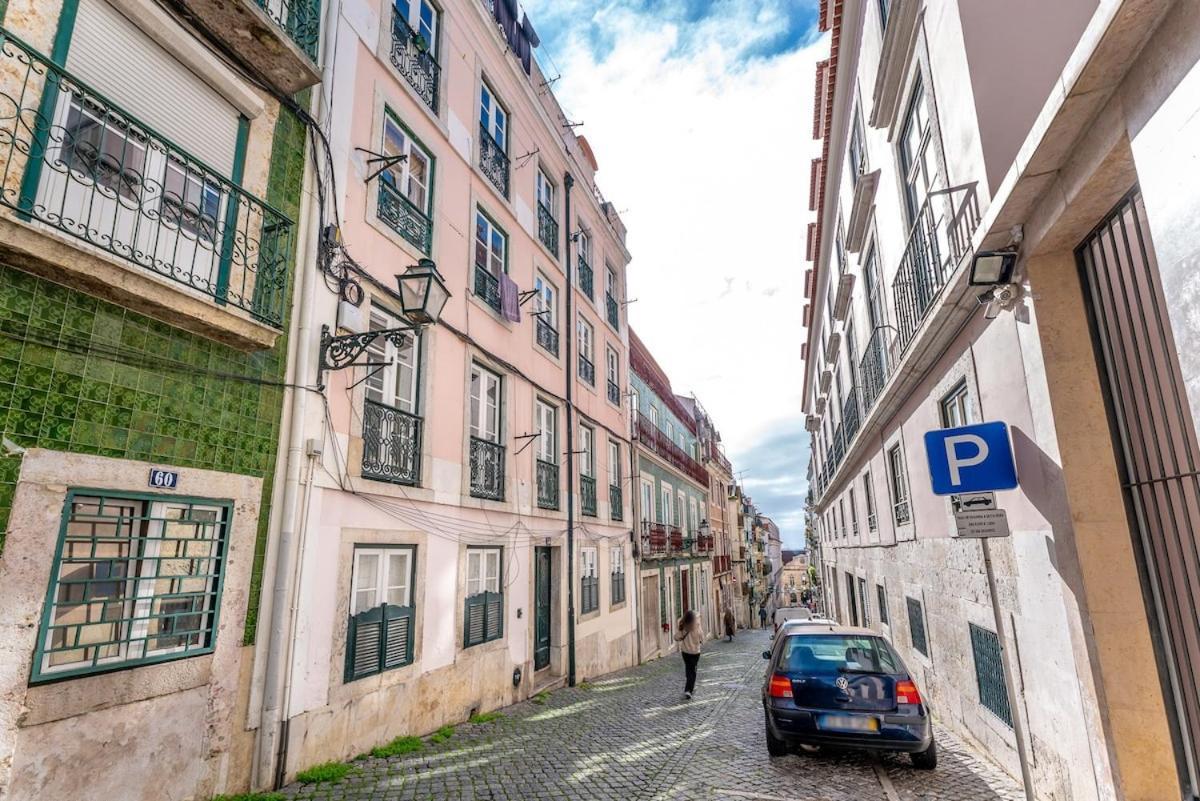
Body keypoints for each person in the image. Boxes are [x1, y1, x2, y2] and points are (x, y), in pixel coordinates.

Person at [675, 609, 703, 699]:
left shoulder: (683, 626)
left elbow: (676, 637)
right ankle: (689, 690)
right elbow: (701, 636)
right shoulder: (697, 626)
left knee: (688, 669)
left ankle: (689, 688)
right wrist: (699, 641)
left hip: (686, 652)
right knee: (693, 671)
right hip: (695, 652)